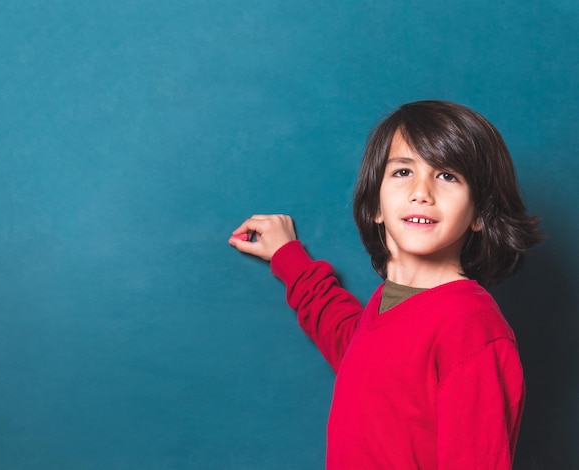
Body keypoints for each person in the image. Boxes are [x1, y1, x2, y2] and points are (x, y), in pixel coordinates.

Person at [228, 100, 542, 469]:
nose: (421, 191)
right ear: (375, 205)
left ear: (478, 215)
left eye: (447, 176)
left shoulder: (471, 327)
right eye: (403, 171)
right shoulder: (385, 306)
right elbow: (352, 345)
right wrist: (288, 257)